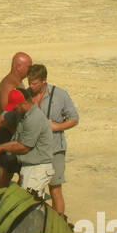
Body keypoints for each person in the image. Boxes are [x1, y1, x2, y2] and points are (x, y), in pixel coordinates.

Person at [0, 86, 54, 198]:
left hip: (37, 169)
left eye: (15, 108)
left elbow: (23, 146)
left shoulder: (34, 119)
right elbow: (7, 114)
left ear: (24, 103)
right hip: (29, 166)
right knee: (27, 204)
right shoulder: (23, 112)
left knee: (29, 205)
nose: (14, 110)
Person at [26, 63, 79, 215]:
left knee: (55, 190)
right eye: (29, 82)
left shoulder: (60, 95)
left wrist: (56, 127)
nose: (31, 86)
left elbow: (74, 119)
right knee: (32, 191)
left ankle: (59, 224)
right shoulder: (26, 94)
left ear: (44, 81)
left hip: (55, 149)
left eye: (34, 83)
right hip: (33, 151)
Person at [0, 51, 33, 185]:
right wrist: (18, 136)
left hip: (14, 133)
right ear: (18, 66)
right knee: (6, 174)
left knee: (21, 171)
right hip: (7, 133)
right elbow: (6, 115)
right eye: (29, 67)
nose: (31, 70)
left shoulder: (18, 82)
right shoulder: (9, 85)